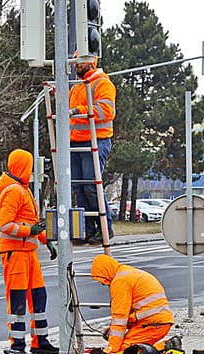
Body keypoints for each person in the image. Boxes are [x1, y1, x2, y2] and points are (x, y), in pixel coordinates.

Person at [0, 149, 59, 354]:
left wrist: (44, 239)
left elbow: (31, 223)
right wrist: (29, 231)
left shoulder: (23, 189)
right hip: (15, 253)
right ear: (23, 166)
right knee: (18, 298)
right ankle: (17, 344)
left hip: (28, 252)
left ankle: (40, 340)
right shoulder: (14, 191)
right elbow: (5, 225)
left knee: (38, 295)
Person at [70, 54, 116, 245]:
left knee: (91, 185)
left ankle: (105, 228)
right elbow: (68, 104)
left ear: (91, 61)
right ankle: (86, 230)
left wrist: (79, 111)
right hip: (75, 143)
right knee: (78, 187)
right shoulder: (78, 86)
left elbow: (105, 111)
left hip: (96, 141)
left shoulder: (102, 84)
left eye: (79, 61)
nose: (76, 65)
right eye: (75, 62)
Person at [90, 254, 176, 354]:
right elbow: (134, 314)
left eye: (102, 280)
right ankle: (166, 347)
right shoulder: (126, 273)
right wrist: (113, 330)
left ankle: (165, 347)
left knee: (126, 353)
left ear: (105, 272)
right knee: (133, 350)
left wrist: (111, 350)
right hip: (155, 322)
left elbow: (120, 318)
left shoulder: (120, 282)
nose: (104, 284)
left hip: (152, 324)